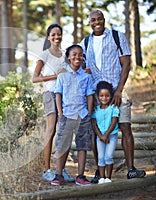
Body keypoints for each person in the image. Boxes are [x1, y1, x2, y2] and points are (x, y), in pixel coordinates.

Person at [79, 9, 146, 183]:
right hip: (95, 94)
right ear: (90, 22)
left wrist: (119, 90)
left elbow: (126, 64)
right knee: (95, 131)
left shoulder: (117, 37)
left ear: (104, 19)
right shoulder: (85, 42)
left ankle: (131, 169)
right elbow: (81, 65)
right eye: (93, 20)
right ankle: (99, 171)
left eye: (99, 19)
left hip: (117, 91)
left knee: (125, 127)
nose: (96, 22)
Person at [32, 24, 74, 182]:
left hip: (65, 96)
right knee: (51, 130)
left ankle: (61, 170)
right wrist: (54, 76)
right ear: (48, 37)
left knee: (66, 132)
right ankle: (46, 170)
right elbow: (34, 78)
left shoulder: (65, 55)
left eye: (59, 34)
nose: (57, 37)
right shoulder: (44, 55)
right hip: (50, 94)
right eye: (53, 35)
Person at [51, 44, 95, 186]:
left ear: (83, 58)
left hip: (82, 114)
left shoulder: (86, 76)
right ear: (69, 57)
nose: (77, 57)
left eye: (80, 54)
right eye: (74, 54)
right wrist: (60, 113)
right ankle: (59, 174)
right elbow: (58, 94)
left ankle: (80, 176)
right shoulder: (62, 75)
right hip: (67, 115)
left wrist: (88, 112)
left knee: (82, 146)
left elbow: (89, 95)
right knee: (63, 145)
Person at [92, 81, 119, 184]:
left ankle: (108, 177)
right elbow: (94, 124)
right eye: (101, 96)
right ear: (98, 96)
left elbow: (113, 122)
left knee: (108, 156)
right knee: (100, 157)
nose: (104, 98)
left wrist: (106, 135)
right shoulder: (96, 110)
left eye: (107, 96)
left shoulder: (114, 108)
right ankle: (101, 178)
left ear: (111, 96)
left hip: (111, 136)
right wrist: (101, 136)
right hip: (100, 137)